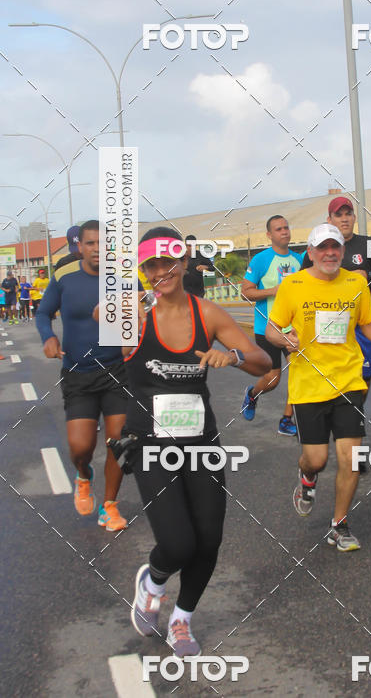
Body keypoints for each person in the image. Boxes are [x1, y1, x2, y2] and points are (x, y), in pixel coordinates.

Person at [124, 227, 270, 656]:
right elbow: (100, 314)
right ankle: (151, 582)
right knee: (178, 543)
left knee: (208, 539)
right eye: (152, 265)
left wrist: (235, 357)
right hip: (150, 441)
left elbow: (262, 361)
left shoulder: (208, 314)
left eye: (169, 262)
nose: (161, 272)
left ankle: (182, 621)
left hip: (200, 439)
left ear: (185, 263)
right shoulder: (134, 313)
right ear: (144, 269)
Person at [266, 223, 371, 551]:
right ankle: (307, 478)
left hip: (348, 381)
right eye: (322, 247)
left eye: (335, 247)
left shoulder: (355, 281)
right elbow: (272, 329)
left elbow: (367, 325)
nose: (330, 253)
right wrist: (284, 339)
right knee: (316, 458)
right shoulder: (293, 285)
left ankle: (338, 525)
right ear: (310, 252)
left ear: (342, 251)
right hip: (309, 385)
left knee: (351, 458)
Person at [35, 220, 128, 530]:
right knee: (80, 447)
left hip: (116, 371)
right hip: (77, 374)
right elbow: (43, 312)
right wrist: (48, 337)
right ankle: (83, 475)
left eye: (103, 244)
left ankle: (110, 506)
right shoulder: (64, 277)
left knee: (119, 442)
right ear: (80, 247)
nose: (97, 249)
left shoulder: (124, 277)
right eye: (91, 243)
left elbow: (148, 309)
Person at [302, 196, 371, 393]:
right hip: (329, 325)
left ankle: (354, 420)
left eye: (348, 214)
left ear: (354, 217)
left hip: (363, 326)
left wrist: (368, 275)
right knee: (331, 382)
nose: (344, 219)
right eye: (338, 215)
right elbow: (301, 285)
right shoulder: (318, 249)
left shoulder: (370, 245)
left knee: (363, 383)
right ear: (330, 220)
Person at [240, 215, 303, 435]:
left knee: (299, 373)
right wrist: (273, 291)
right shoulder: (260, 260)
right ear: (269, 235)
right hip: (266, 328)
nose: (284, 232)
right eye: (278, 229)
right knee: (274, 379)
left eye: (286, 227)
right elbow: (245, 293)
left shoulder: (299, 260)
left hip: (293, 328)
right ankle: (252, 395)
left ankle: (287, 419)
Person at [182, 233, 215, 298]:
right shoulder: (181, 256)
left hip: (199, 291)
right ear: (185, 245)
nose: (191, 248)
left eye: (193, 245)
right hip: (185, 290)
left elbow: (212, 268)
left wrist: (205, 267)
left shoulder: (201, 255)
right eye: (189, 246)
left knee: (197, 307)